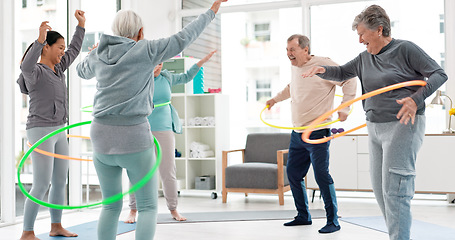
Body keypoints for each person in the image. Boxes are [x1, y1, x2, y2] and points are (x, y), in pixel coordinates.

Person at [76, 1, 226, 239]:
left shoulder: (100, 53)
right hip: (133, 135)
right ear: (140, 32)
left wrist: (92, 53)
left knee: (110, 205)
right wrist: (212, 11)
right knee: (147, 207)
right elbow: (184, 37)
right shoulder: (145, 50)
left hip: (101, 135)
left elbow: (81, 71)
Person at [302, 5, 447, 240]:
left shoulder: (405, 49)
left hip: (403, 124)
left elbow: (439, 74)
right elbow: (341, 74)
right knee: (381, 192)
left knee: (396, 191)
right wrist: (321, 70)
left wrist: (415, 98)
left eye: (362, 34)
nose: (359, 40)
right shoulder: (364, 58)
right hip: (374, 127)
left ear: (379, 30)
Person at [265, 34, 357, 234]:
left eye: (292, 50)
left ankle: (333, 220)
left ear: (305, 50)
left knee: (321, 175)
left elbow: (349, 78)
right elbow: (292, 88)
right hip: (298, 132)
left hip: (317, 131)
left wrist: (345, 107)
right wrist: (274, 100)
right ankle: (303, 216)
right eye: (287, 50)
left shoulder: (323, 64)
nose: (289, 54)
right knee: (293, 174)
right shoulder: (295, 67)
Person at [16, 10, 86, 240]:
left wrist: (81, 26)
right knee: (41, 184)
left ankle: (56, 226)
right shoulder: (34, 72)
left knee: (59, 182)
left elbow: (75, 50)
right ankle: (27, 232)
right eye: (59, 47)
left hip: (59, 129)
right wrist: (38, 39)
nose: (63, 52)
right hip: (41, 130)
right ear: (46, 47)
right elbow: (25, 65)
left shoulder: (58, 69)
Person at [124, 50, 217, 223]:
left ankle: (173, 209)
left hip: (164, 129)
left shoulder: (166, 77)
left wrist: (200, 62)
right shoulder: (138, 80)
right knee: (136, 171)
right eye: (155, 64)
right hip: (141, 129)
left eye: (160, 63)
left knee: (168, 170)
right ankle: (133, 210)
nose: (158, 67)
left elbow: (186, 77)